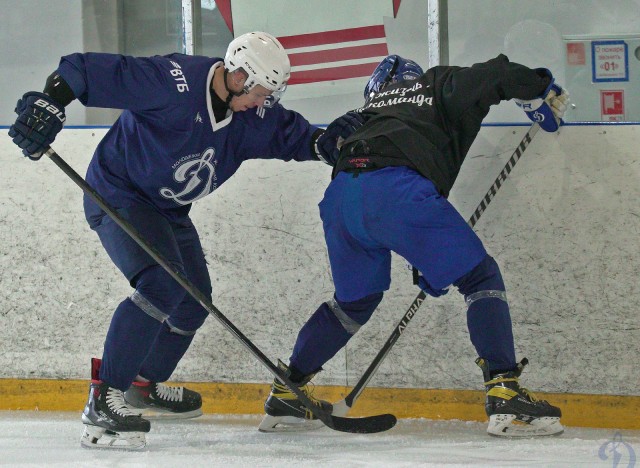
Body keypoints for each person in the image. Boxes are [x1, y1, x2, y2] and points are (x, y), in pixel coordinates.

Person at [8, 31, 361, 450]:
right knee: (162, 283)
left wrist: (334, 145)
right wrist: (50, 102)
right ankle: (105, 397)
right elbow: (85, 71)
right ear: (239, 77)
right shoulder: (170, 81)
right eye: (261, 91)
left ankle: (142, 384)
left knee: (194, 300)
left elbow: (299, 139)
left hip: (167, 211)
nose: (263, 102)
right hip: (119, 195)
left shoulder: (252, 114)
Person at [260, 54, 570, 437]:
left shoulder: (367, 111)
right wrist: (540, 89)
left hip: (342, 197)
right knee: (480, 277)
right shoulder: (434, 85)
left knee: (354, 303)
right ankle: (506, 395)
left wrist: (426, 256)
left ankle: (288, 392)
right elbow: (497, 73)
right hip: (395, 191)